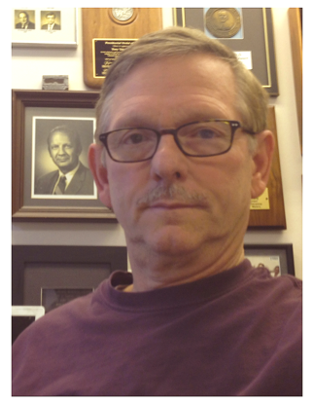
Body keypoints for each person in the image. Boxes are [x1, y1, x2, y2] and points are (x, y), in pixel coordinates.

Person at [12, 27, 302, 396]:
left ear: (259, 164)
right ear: (102, 175)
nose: (166, 164)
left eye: (205, 132)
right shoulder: (34, 351)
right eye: (134, 137)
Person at [35, 125, 94, 195]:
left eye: (67, 146)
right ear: (49, 152)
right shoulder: (43, 181)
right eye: (55, 147)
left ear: (79, 149)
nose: (61, 153)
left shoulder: (93, 181)